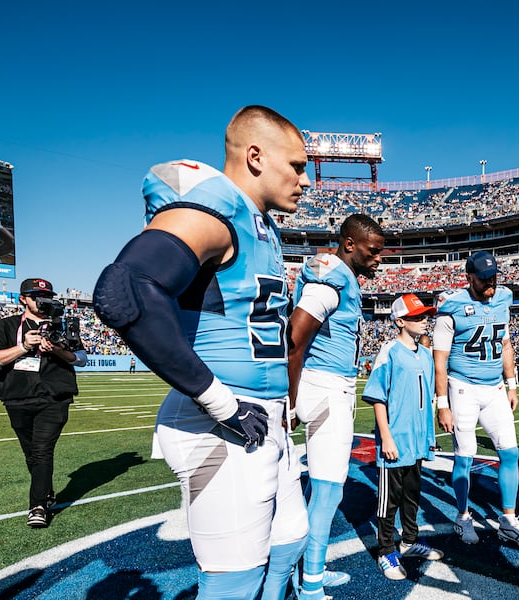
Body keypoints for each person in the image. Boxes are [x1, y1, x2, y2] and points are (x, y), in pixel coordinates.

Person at [93, 105, 311, 600]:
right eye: (296, 166)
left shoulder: (260, 222)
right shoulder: (215, 207)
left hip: (265, 418)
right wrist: (220, 402)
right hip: (226, 422)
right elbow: (124, 287)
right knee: (235, 581)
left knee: (288, 546)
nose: (304, 180)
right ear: (255, 156)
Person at [288, 213, 385, 599]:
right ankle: (310, 584)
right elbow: (295, 337)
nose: (379, 259)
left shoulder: (339, 275)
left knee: (318, 491)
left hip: (325, 384)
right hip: (325, 386)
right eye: (373, 251)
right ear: (349, 244)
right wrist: (289, 401)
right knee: (327, 491)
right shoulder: (333, 276)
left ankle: (310, 570)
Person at [433, 250, 519, 549]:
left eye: (493, 277)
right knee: (465, 455)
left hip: (494, 387)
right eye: (483, 279)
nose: (490, 284)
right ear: (469, 277)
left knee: (509, 453)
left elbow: (505, 343)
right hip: (462, 386)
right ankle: (463, 515)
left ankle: (508, 520)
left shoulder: (504, 298)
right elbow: (439, 358)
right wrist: (442, 403)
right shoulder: (451, 304)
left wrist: (511, 384)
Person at [0, 277, 86, 528]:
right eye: (35, 296)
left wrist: (57, 350)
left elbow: (81, 359)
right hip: (17, 396)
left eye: (47, 296)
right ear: (22, 299)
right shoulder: (5, 326)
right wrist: (23, 346)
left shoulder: (62, 326)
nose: (42, 301)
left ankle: (37, 506)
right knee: (31, 452)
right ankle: (47, 492)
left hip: (54, 396)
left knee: (42, 450)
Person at [363, 294, 443, 581]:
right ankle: (386, 550)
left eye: (425, 316)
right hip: (395, 441)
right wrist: (386, 437)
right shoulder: (389, 351)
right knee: (389, 500)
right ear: (399, 321)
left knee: (412, 495)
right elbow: (378, 398)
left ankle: (409, 541)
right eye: (418, 317)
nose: (424, 321)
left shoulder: (424, 354)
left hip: (418, 441)